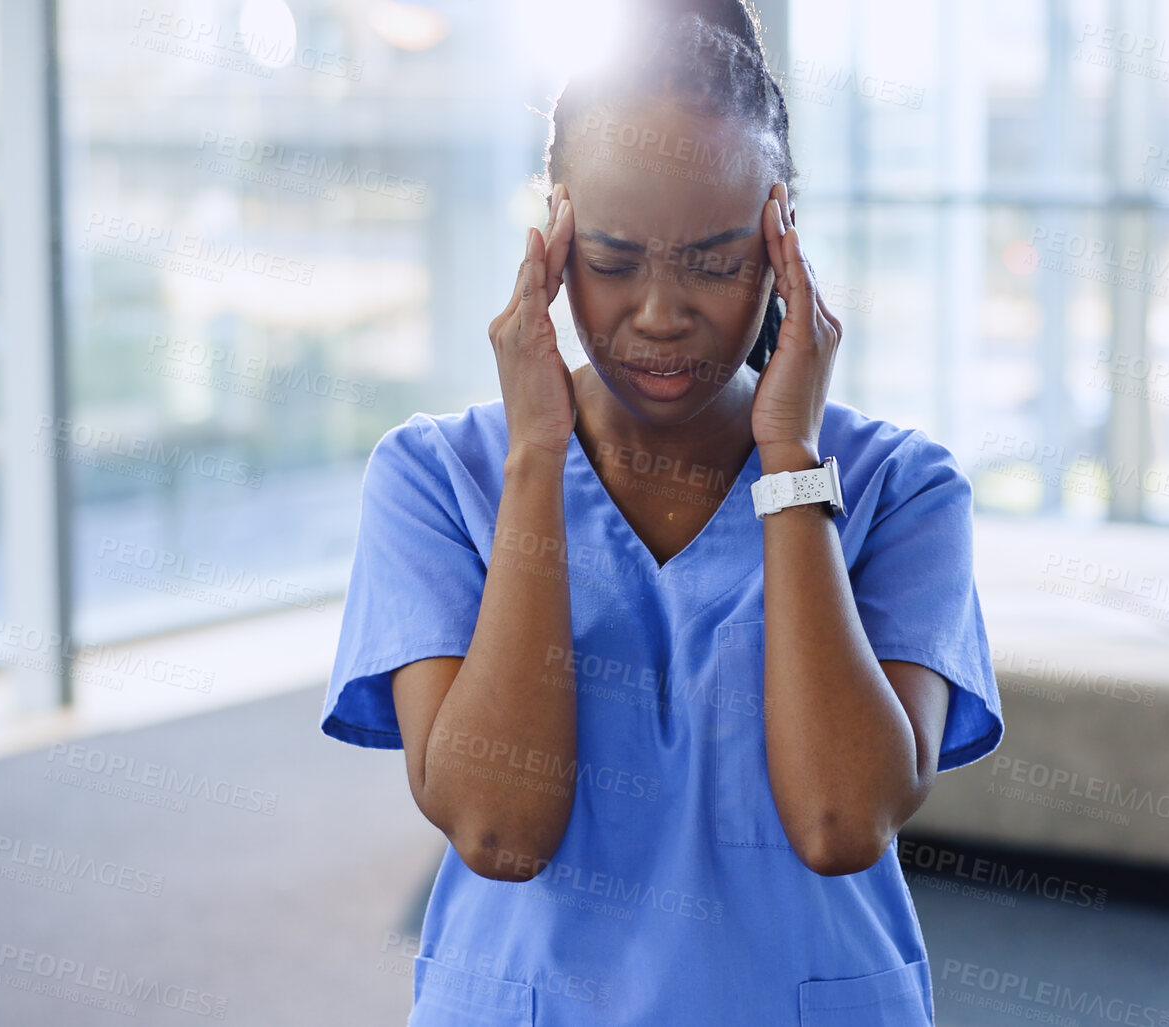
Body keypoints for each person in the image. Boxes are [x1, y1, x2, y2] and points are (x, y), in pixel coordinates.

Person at [321, 2, 1002, 1022]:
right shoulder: (435, 479)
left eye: (718, 260)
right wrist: (536, 456)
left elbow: (839, 820)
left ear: (782, 243)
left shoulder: (904, 488)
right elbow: (499, 830)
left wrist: (790, 460)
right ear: (553, 236)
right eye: (614, 259)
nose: (661, 312)